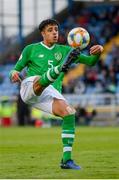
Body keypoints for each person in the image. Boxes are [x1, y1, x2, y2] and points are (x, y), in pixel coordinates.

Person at [9, 19, 103, 170]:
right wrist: (14, 73)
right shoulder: (30, 49)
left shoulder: (66, 50)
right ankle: (59, 69)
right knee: (41, 79)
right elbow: (15, 69)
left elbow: (91, 62)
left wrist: (99, 52)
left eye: (56, 30)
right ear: (43, 33)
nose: (54, 33)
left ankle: (66, 160)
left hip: (49, 93)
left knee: (70, 113)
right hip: (30, 86)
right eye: (50, 30)